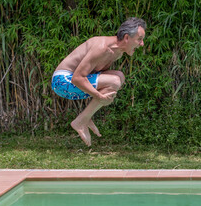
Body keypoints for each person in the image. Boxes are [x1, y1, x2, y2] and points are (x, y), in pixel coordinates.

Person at [51, 17, 146, 146]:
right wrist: (99, 96)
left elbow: (95, 76)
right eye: (139, 39)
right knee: (115, 81)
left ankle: (85, 118)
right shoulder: (102, 48)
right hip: (61, 82)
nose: (142, 44)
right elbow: (77, 78)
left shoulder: (117, 53)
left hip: (72, 82)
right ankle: (80, 121)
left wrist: (101, 96)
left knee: (120, 76)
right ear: (127, 38)